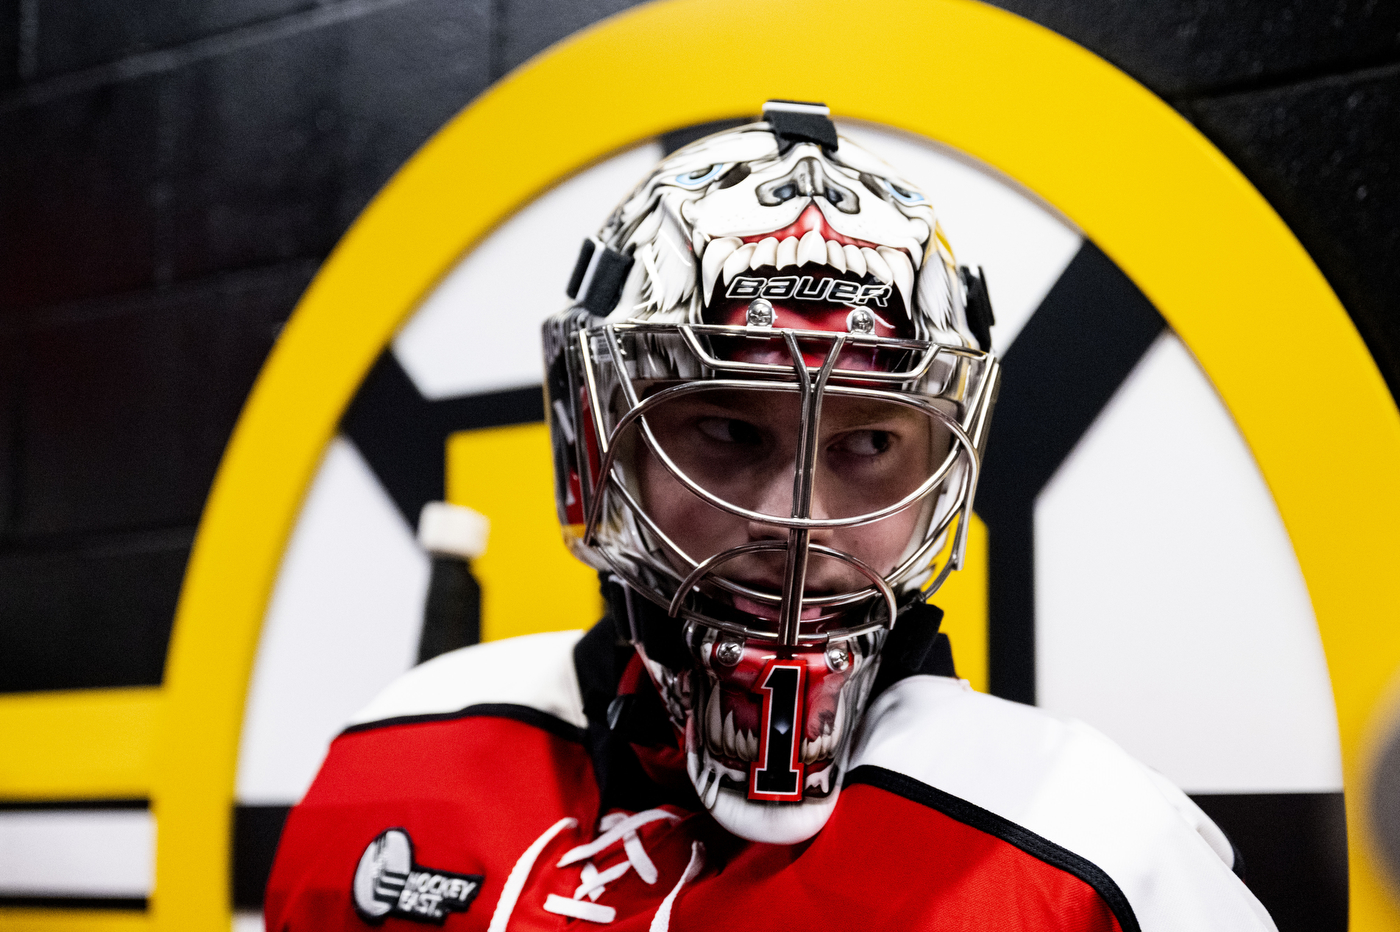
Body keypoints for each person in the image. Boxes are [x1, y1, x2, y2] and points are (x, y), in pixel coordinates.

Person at [265, 101, 1277, 931]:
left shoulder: (1099, 856)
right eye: (725, 430)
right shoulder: (391, 760)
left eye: (868, 442)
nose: (795, 522)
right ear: (599, 444)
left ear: (940, 468)